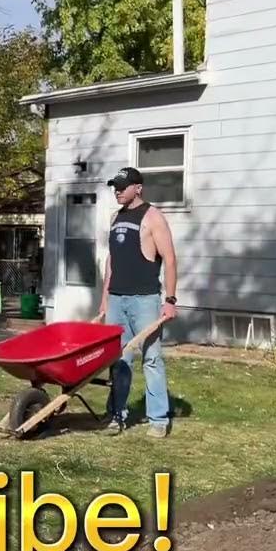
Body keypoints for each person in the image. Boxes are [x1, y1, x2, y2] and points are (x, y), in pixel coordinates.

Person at [98, 167, 178, 438]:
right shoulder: (115, 217)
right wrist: (105, 298)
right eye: (115, 187)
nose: (118, 191)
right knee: (119, 359)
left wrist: (170, 300)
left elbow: (170, 259)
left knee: (151, 359)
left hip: (145, 300)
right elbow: (111, 261)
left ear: (138, 188)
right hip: (116, 299)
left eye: (123, 186)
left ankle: (158, 419)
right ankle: (116, 415)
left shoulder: (153, 217)